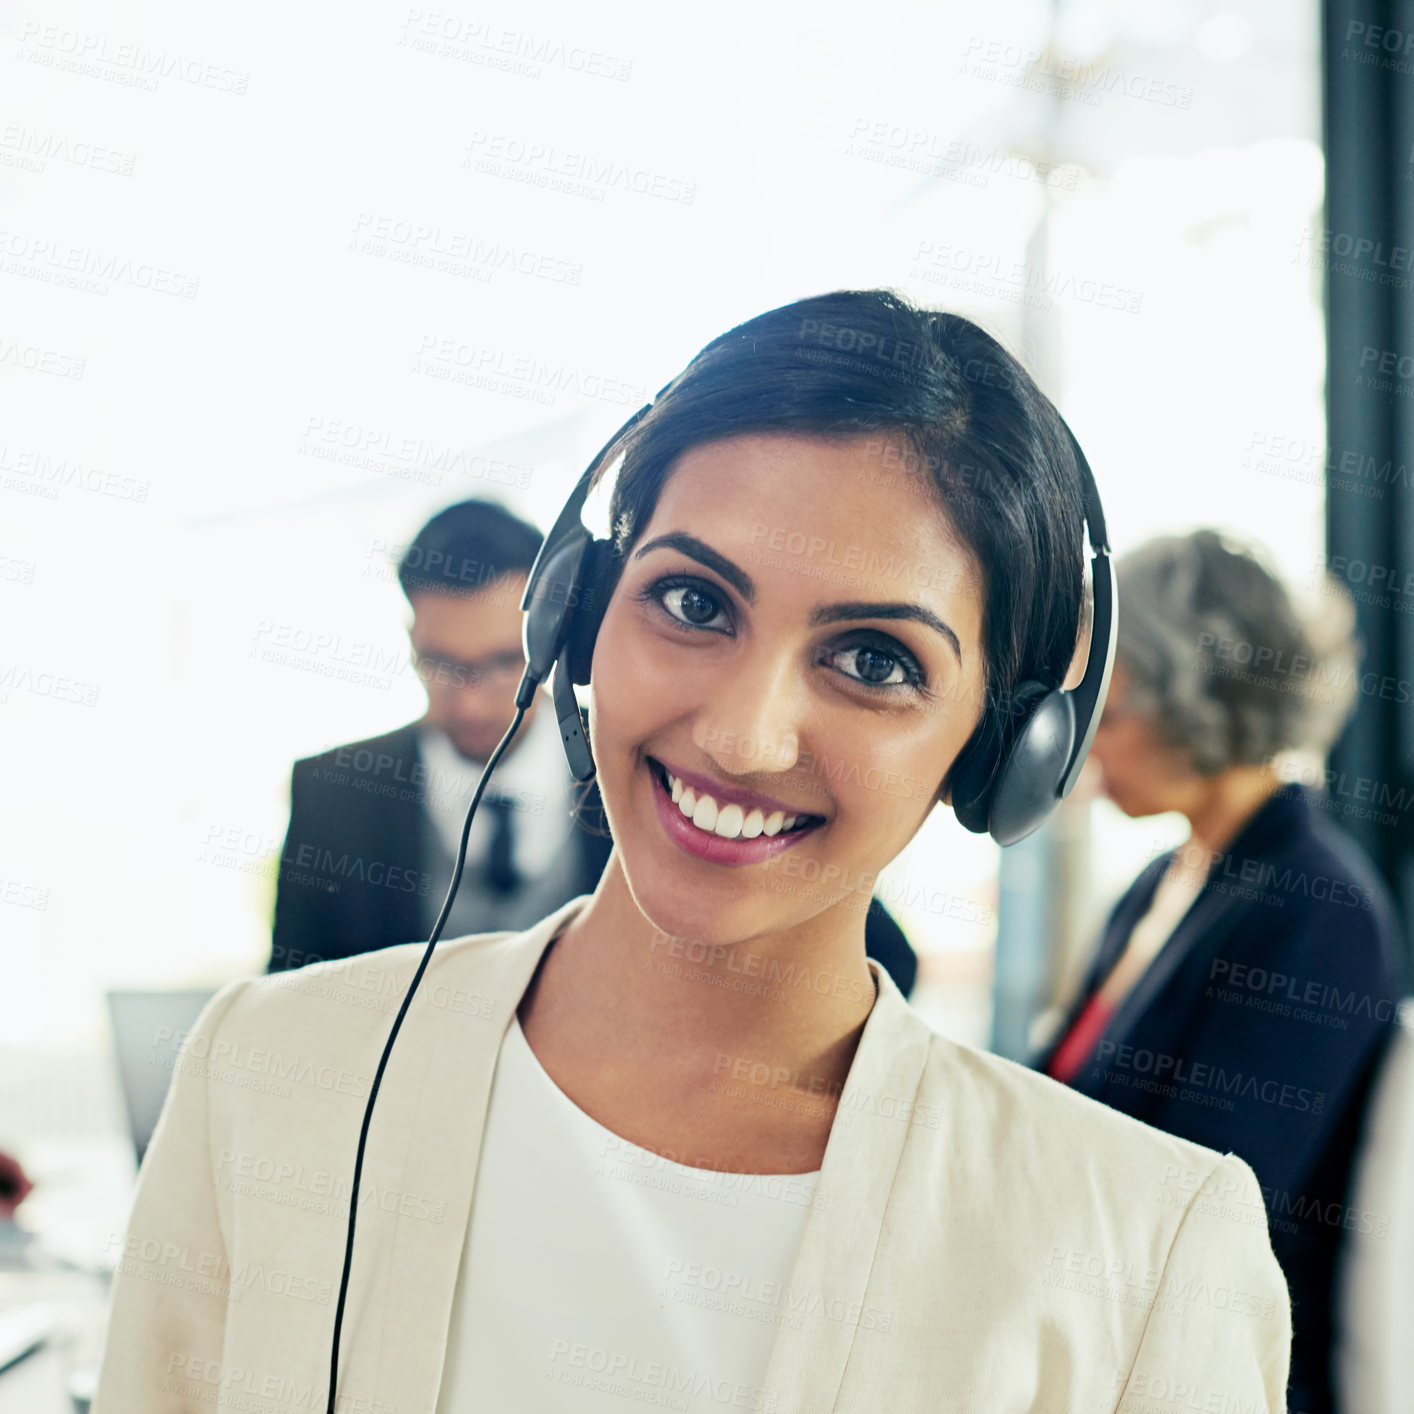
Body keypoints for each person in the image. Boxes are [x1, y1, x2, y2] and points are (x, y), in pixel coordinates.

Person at [92, 291, 1290, 1412]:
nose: (740, 733)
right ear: (577, 613)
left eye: (874, 659)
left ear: (1000, 749)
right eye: (693, 603)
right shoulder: (266, 1079)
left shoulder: (1146, 1252)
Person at [1034, 529, 1403, 1414]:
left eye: (1111, 715)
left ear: (1192, 706)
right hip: (1097, 1326)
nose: (1089, 748)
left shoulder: (1316, 907)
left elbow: (1212, 1196)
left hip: (1202, 1370)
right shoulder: (1166, 882)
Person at [268, 497, 920, 993]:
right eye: (441, 664)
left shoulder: (660, 765)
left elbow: (884, 959)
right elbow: (291, 992)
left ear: (554, 638)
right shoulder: (332, 789)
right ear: (411, 641)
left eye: (499, 664)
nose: (469, 700)